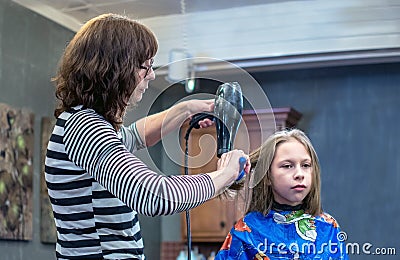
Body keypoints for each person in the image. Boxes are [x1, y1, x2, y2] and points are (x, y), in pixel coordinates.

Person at [45, 13, 250, 259]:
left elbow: (135, 136)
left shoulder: (85, 123)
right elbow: (154, 196)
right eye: (146, 66)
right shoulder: (86, 127)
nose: (151, 75)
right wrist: (225, 175)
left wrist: (186, 108)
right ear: (116, 69)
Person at [215, 129, 349, 259]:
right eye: (287, 166)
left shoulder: (328, 228)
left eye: (306, 165)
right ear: (267, 176)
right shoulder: (245, 232)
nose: (299, 174)